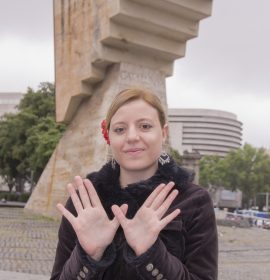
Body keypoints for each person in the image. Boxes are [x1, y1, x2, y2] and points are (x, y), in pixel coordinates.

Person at [50, 88, 218, 280]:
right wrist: (88, 255)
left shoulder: (194, 200)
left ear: (163, 133)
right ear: (109, 136)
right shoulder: (85, 200)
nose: (131, 137)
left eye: (145, 126)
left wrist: (151, 253)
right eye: (120, 129)